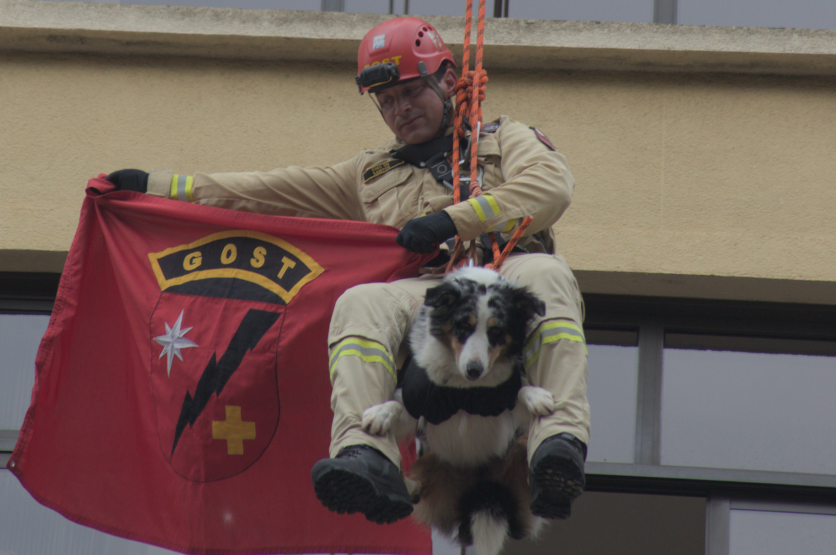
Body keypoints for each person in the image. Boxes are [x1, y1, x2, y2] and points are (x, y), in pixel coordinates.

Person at [106, 16, 589, 525]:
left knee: (547, 274)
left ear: (448, 80)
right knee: (359, 302)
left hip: (506, 275)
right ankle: (366, 455)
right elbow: (264, 191)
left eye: (409, 92)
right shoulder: (367, 174)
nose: (399, 111)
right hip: (428, 297)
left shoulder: (503, 137)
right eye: (387, 102)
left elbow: (551, 188)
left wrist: (450, 220)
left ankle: (557, 441)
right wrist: (158, 186)